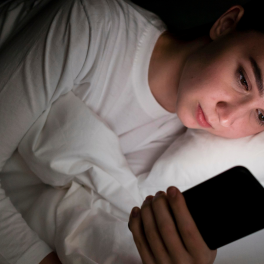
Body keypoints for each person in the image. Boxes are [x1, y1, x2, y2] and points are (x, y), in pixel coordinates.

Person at [0, 0, 263, 263]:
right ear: (226, 25)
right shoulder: (90, 25)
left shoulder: (178, 152)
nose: (227, 116)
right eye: (243, 80)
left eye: (261, 115)